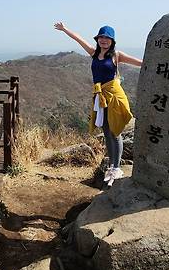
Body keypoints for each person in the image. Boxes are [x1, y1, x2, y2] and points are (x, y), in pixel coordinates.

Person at [54, 22, 142, 183]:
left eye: (107, 38)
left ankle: (117, 168)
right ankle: (111, 165)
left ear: (112, 41)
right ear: (98, 39)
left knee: (115, 131)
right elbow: (79, 39)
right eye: (101, 37)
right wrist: (65, 29)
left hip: (114, 96)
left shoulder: (117, 55)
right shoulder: (94, 53)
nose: (103, 40)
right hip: (100, 97)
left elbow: (140, 63)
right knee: (107, 131)